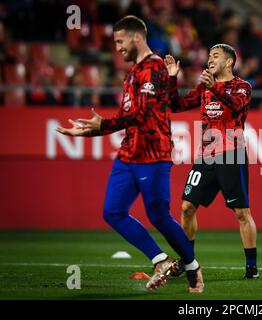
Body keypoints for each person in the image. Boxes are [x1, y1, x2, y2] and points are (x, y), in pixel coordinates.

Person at [56, 15, 204, 293]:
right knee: (112, 212)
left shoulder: (155, 67)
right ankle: (160, 260)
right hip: (128, 154)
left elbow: (145, 112)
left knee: (158, 215)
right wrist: (91, 132)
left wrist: (105, 125)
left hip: (153, 153)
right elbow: (126, 117)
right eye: (115, 42)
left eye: (120, 41)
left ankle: (193, 267)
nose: (117, 47)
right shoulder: (132, 74)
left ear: (136, 37)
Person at [164, 44, 259, 279]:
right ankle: (188, 262)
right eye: (208, 56)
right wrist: (172, 79)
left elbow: (237, 107)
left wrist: (214, 88)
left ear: (228, 62)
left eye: (215, 56)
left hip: (232, 153)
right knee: (187, 207)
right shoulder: (205, 88)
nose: (210, 59)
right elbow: (176, 106)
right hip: (206, 155)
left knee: (241, 212)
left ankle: (251, 267)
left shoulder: (242, 87)